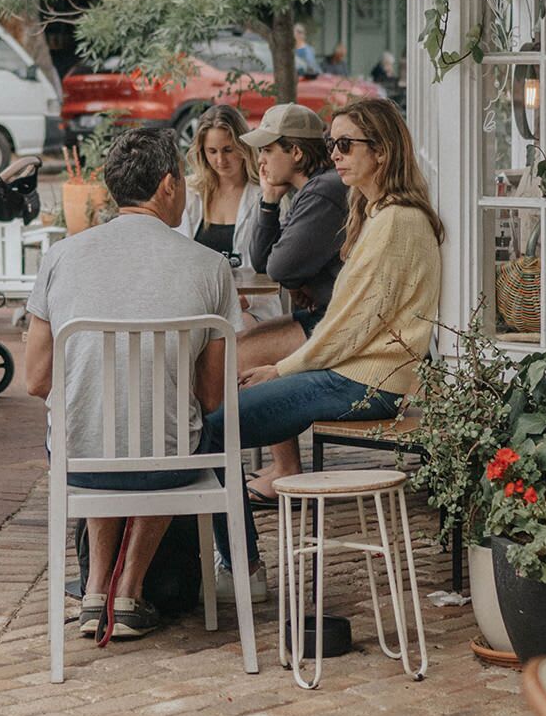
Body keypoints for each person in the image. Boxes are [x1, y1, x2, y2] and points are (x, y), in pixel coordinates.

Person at [23, 125, 246, 640]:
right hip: (167, 471)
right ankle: (129, 591)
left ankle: (95, 588)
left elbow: (36, 380)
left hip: (79, 464)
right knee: (172, 431)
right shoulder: (211, 267)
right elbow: (211, 397)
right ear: (168, 185)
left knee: (101, 417)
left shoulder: (61, 257)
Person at [198, 97, 442, 568]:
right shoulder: (379, 213)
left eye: (346, 145)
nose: (334, 155)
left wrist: (282, 368)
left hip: (366, 382)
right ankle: (234, 564)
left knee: (213, 431)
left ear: (383, 152)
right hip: (356, 374)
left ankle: (240, 569)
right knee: (215, 421)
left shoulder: (395, 221)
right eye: (332, 144)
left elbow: (352, 324)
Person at [239, 102, 348, 325]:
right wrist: (269, 200)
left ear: (296, 152)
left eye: (267, 150)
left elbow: (280, 267)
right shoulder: (313, 189)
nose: (260, 160)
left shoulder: (323, 192)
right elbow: (262, 262)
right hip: (332, 315)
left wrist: (294, 279)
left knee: (238, 348)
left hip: (344, 323)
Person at [177, 105, 252, 258]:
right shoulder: (188, 192)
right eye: (212, 151)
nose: (220, 160)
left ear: (243, 146)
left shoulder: (265, 195)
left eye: (228, 150)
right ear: (202, 151)